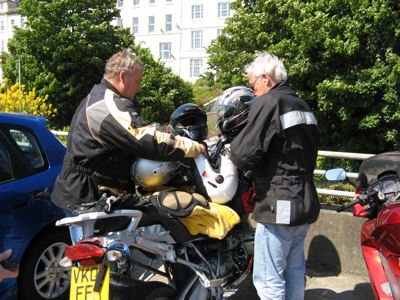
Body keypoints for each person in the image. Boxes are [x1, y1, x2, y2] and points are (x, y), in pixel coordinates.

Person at [51, 49, 206, 220]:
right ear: (122, 76)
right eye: (137, 81)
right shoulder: (110, 105)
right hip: (89, 198)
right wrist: (192, 147)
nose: (139, 87)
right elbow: (145, 139)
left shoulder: (97, 96)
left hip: (80, 193)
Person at [230, 53, 320, 300]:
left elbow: (243, 153)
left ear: (266, 79)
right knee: (294, 270)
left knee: (269, 278)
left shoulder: (268, 103)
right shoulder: (302, 105)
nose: (253, 91)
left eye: (253, 85)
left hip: (280, 204)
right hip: (305, 201)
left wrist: (231, 155)